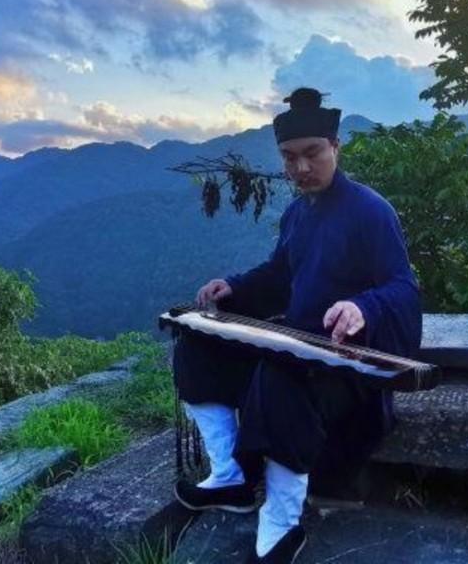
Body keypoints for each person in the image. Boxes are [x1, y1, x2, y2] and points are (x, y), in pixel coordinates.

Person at [172, 86, 422, 564]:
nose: (300, 168)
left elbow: (403, 287)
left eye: (312, 154)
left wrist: (364, 307)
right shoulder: (296, 214)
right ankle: (231, 478)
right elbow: (280, 275)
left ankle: (281, 521)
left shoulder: (371, 212)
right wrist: (234, 286)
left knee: (279, 372)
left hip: (346, 369)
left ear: (335, 148)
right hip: (298, 347)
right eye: (289, 158)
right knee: (197, 344)